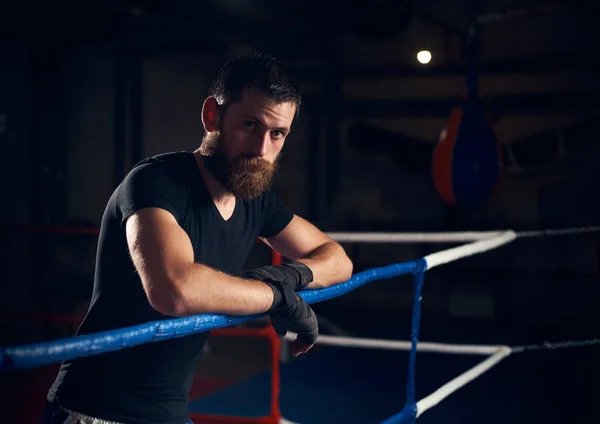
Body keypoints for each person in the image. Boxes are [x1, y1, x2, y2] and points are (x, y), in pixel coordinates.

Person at [41, 53, 353, 424]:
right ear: (212, 116)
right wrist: (275, 296)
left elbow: (338, 259)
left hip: (168, 412)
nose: (261, 149)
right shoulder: (156, 183)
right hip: (93, 411)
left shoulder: (255, 200)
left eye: (277, 134)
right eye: (250, 125)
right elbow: (174, 289)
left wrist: (289, 277)